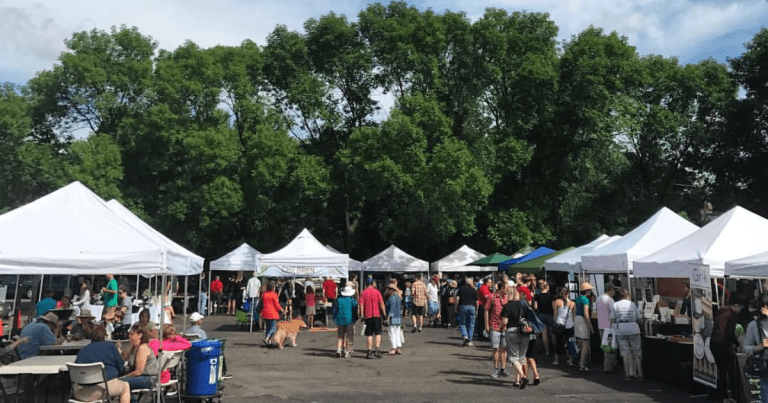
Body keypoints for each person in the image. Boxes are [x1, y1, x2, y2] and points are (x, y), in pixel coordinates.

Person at [74, 325, 130, 403]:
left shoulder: (82, 351)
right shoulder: (111, 347)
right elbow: (121, 367)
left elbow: (76, 371)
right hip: (102, 390)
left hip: (80, 392)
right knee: (125, 386)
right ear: (104, 336)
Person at [710, 296, 743, 400]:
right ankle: (730, 395)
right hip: (723, 344)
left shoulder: (720, 311)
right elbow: (730, 333)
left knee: (721, 371)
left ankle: (720, 394)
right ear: (736, 306)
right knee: (729, 371)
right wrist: (737, 344)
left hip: (714, 342)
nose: (740, 311)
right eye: (740, 308)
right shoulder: (732, 315)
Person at [500, 286, 529, 389]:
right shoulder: (524, 305)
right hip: (524, 331)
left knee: (513, 357)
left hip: (512, 331)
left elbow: (505, 322)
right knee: (522, 357)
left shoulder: (507, 306)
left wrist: (500, 326)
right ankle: (517, 381)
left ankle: (523, 376)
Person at [611, 288, 643, 380]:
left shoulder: (615, 304)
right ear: (627, 295)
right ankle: (639, 373)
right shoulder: (632, 304)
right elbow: (638, 317)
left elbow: (612, 318)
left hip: (621, 329)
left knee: (625, 352)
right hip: (633, 328)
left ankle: (628, 374)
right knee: (636, 352)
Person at [120, 324, 159, 394]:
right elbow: (123, 358)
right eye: (129, 334)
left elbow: (138, 372)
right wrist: (130, 345)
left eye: (132, 334)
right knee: (119, 382)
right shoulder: (134, 347)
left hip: (148, 378)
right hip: (141, 377)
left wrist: (124, 377)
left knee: (120, 383)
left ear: (140, 335)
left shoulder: (142, 348)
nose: (129, 336)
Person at [744, 293, 768, 403]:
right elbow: (746, 348)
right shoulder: (754, 325)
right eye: (764, 304)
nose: (765, 307)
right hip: (765, 370)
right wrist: (760, 346)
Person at [485, 281, 509, 378]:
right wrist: (486, 325)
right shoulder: (492, 297)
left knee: (504, 349)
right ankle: (495, 369)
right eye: (506, 288)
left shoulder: (506, 298)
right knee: (495, 349)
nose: (507, 290)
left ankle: (503, 368)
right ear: (501, 288)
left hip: (504, 327)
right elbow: (486, 310)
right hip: (494, 325)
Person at [359, 278, 386, 359]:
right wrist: (384, 314)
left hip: (368, 316)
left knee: (369, 334)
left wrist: (362, 315)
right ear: (373, 284)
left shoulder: (363, 293)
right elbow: (381, 303)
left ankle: (369, 351)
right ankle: (377, 350)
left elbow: (361, 305)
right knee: (378, 333)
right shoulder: (377, 292)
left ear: (366, 285)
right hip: (377, 315)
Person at [596, 282, 618, 373]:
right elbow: (614, 313)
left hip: (600, 325)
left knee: (605, 347)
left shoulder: (598, 298)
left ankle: (607, 365)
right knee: (610, 347)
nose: (614, 292)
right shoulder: (610, 300)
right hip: (609, 326)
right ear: (609, 290)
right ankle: (608, 367)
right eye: (614, 290)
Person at [574, 282, 594, 371]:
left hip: (576, 320)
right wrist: (590, 327)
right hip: (582, 320)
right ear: (587, 291)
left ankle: (580, 362)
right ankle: (582, 364)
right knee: (586, 343)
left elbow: (574, 311)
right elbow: (586, 314)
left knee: (580, 343)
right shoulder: (586, 300)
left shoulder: (577, 299)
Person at [553, 286, 575, 366]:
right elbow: (573, 316)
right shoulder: (572, 303)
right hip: (569, 324)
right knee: (569, 342)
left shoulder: (557, 302)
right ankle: (570, 360)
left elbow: (555, 314)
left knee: (558, 342)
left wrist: (554, 322)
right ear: (568, 293)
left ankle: (556, 360)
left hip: (560, 324)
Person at [333, 285, 358, 358]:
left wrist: (335, 318)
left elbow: (335, 310)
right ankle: (347, 351)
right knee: (349, 336)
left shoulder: (339, 300)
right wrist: (356, 318)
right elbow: (354, 309)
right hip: (349, 320)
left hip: (340, 320)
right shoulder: (352, 300)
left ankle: (338, 349)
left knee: (340, 336)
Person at [456, 277, 479, 347]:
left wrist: (457, 307)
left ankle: (465, 336)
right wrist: (477, 310)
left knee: (462, 323)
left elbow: (457, 299)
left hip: (463, 306)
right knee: (471, 324)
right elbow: (477, 301)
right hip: (472, 307)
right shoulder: (474, 290)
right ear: (470, 283)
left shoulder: (461, 289)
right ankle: (470, 340)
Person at [533, 280, 554, 356]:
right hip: (549, 315)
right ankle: (554, 348)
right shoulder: (551, 296)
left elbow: (535, 307)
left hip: (541, 315)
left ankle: (547, 351)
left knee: (544, 334)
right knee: (552, 333)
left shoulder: (537, 296)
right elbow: (553, 306)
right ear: (547, 287)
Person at [384, 282, 403, 356]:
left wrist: (388, 318)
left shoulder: (391, 298)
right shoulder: (398, 297)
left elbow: (391, 309)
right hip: (398, 317)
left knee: (392, 333)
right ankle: (398, 348)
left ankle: (393, 349)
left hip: (393, 318)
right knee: (397, 333)